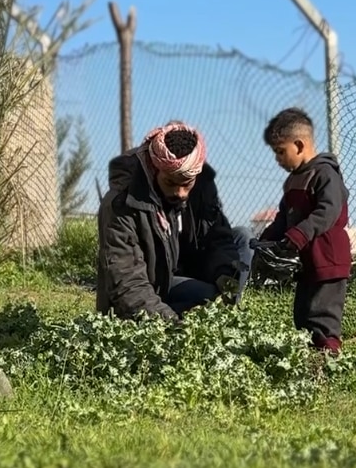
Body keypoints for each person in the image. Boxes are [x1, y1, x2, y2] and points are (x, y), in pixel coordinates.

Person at [96, 120, 250, 321]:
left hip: (178, 277)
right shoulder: (123, 202)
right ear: (154, 168)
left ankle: (221, 312)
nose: (180, 193)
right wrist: (170, 323)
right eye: (170, 183)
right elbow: (127, 281)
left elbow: (217, 238)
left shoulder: (201, 187)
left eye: (187, 184)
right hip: (144, 292)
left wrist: (223, 273)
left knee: (242, 238)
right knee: (204, 302)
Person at [255, 108, 351, 354]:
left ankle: (328, 358)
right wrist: (267, 240)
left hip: (328, 258)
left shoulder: (325, 173)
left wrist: (299, 234)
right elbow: (283, 219)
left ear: (299, 145)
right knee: (303, 313)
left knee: (322, 314)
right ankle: (311, 355)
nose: (278, 159)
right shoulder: (292, 181)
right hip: (307, 261)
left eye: (280, 152)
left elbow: (327, 211)